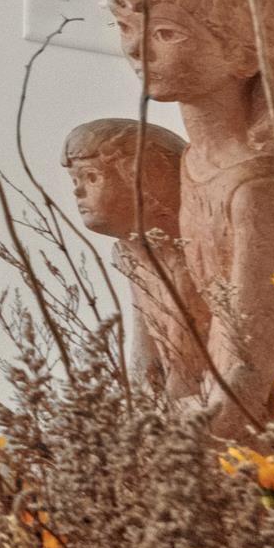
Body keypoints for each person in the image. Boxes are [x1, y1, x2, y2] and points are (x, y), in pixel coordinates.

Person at [108, 0, 274, 433]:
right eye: (124, 26)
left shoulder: (264, 191)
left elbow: (248, 369)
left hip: (273, 449)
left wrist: (170, 452)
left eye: (166, 33)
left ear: (244, 52)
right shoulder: (194, 161)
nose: (134, 48)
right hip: (205, 421)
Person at [60, 117, 205, 399]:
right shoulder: (132, 254)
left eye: (91, 177)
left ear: (148, 181)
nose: (77, 191)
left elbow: (189, 364)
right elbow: (146, 353)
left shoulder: (191, 255)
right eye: (75, 180)